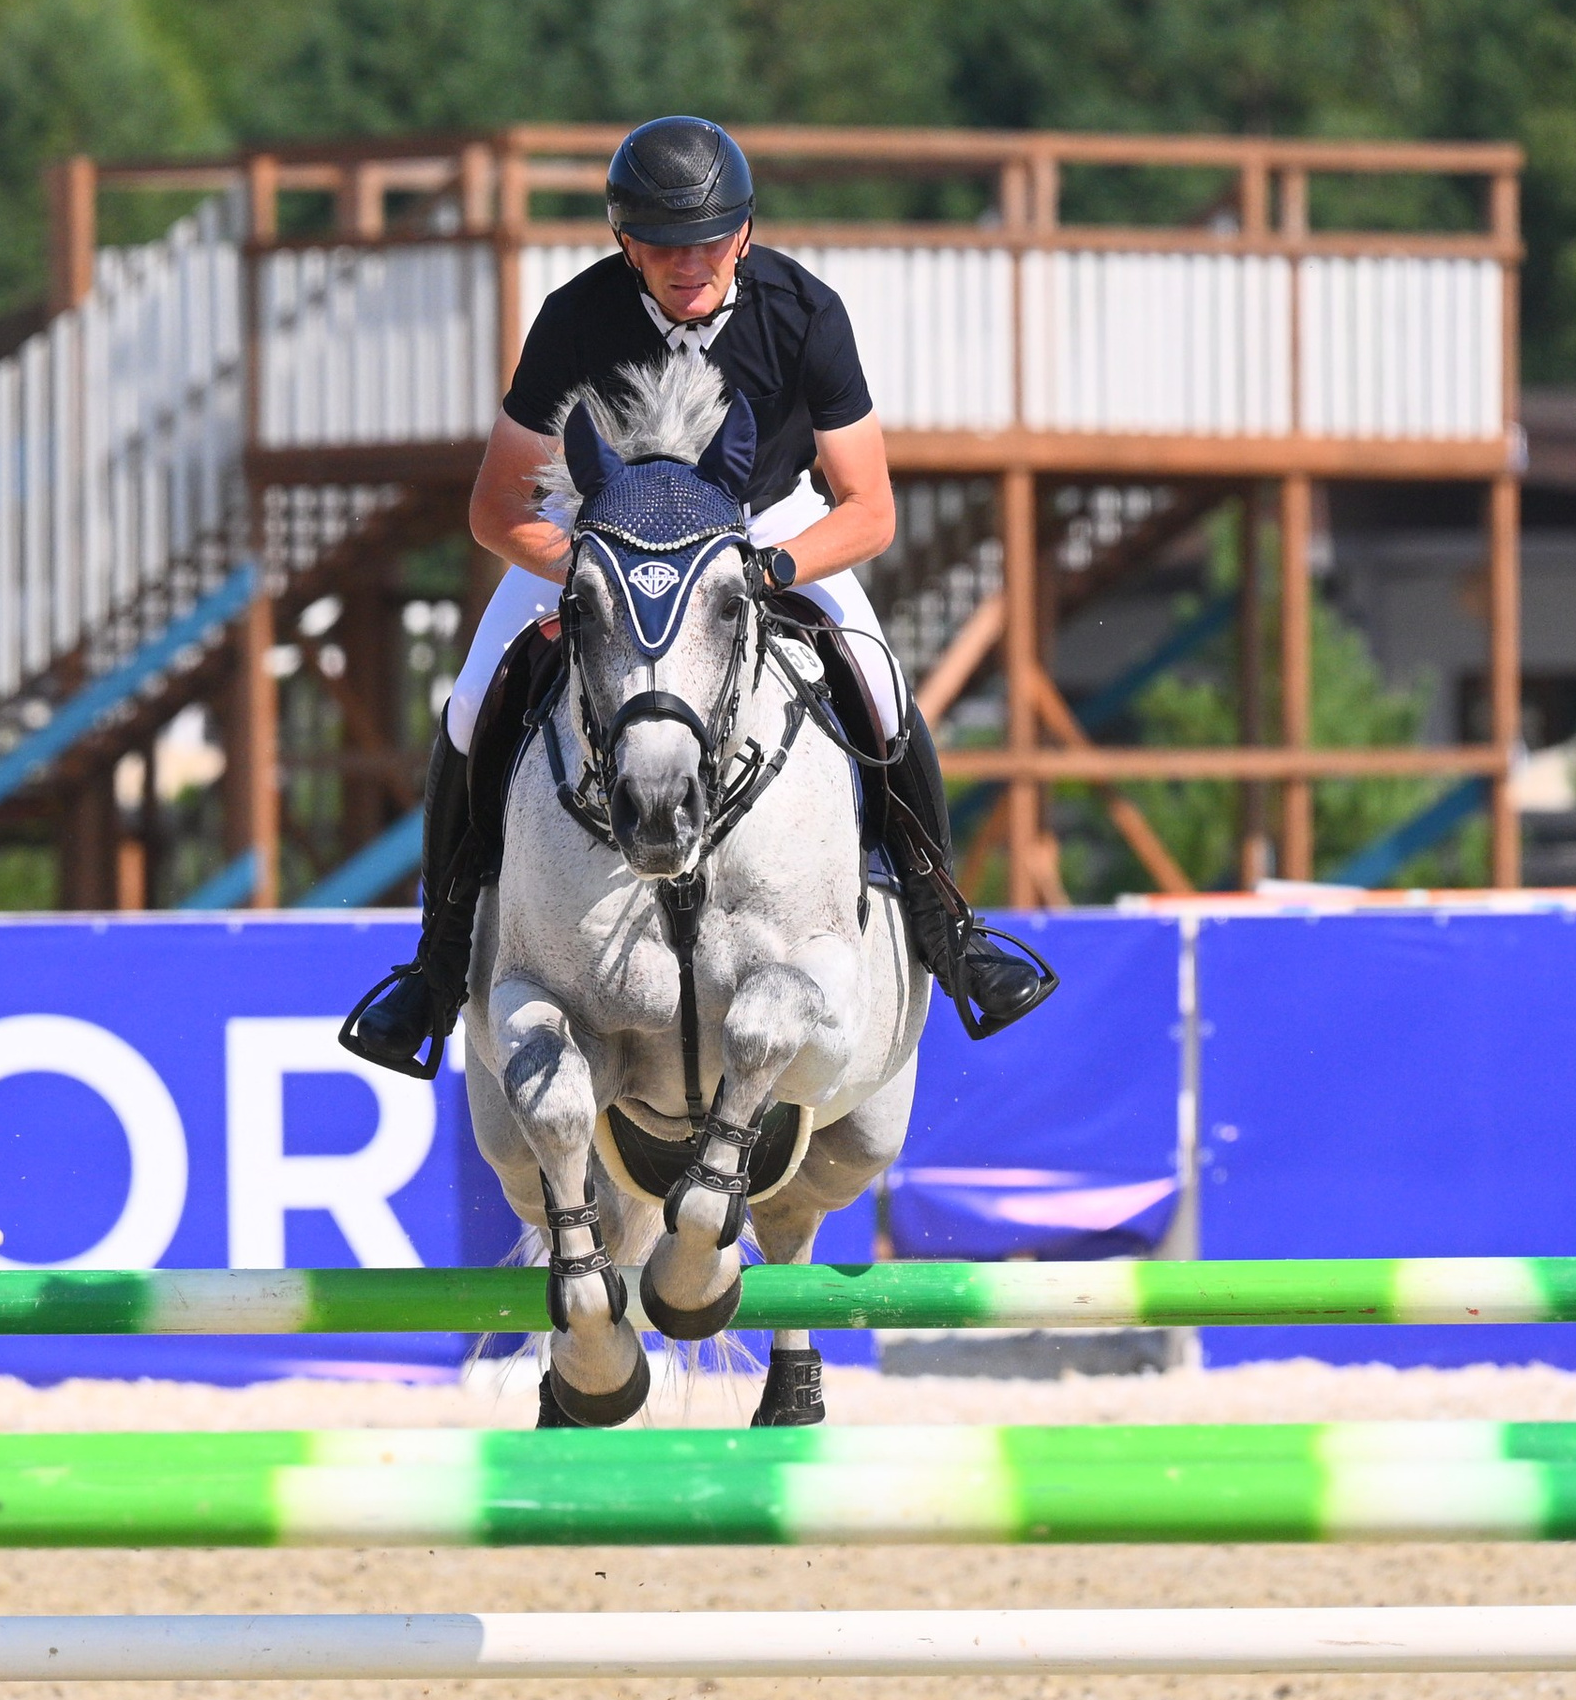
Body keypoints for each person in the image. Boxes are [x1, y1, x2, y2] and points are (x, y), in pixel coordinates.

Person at [340, 115, 1055, 1078]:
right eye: (667, 245)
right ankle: (433, 968)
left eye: (712, 241)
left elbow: (870, 507)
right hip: (605, 540)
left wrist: (772, 573)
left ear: (745, 235)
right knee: (473, 703)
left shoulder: (803, 313)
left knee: (879, 685)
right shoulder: (575, 317)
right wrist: (604, 579)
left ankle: (947, 925)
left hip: (761, 534)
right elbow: (495, 506)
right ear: (625, 242)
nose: (691, 263)